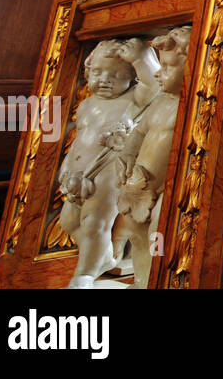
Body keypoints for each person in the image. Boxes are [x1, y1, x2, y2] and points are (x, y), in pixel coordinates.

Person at [58, 37, 151, 289]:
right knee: (68, 222)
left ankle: (84, 276)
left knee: (94, 224)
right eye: (97, 72)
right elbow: (79, 142)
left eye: (115, 74)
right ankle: (103, 257)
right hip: (77, 174)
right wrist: (66, 169)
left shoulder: (133, 100)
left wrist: (139, 57)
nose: (104, 80)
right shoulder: (87, 105)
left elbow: (153, 84)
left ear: (131, 78)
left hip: (108, 170)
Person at [115, 25, 191, 288]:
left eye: (169, 67)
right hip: (139, 183)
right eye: (161, 66)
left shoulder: (193, 106)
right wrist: (127, 153)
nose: (160, 73)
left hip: (169, 188)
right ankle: (142, 279)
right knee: (136, 234)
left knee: (158, 236)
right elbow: (139, 134)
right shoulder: (161, 101)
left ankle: (159, 282)